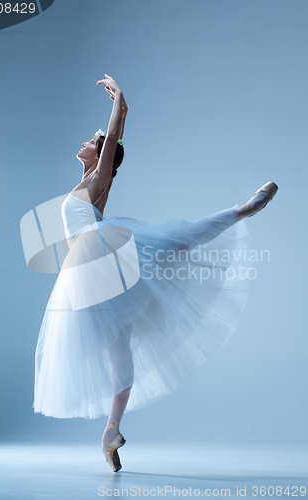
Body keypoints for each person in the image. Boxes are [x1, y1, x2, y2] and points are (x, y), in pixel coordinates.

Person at [33, 74, 278, 473]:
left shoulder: (98, 180)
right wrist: (123, 109)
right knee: (121, 342)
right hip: (90, 272)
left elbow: (112, 139)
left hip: (96, 261)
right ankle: (111, 431)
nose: (85, 142)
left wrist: (120, 106)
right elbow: (112, 139)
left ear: (101, 156)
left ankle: (243, 210)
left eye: (91, 141)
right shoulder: (90, 183)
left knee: (175, 243)